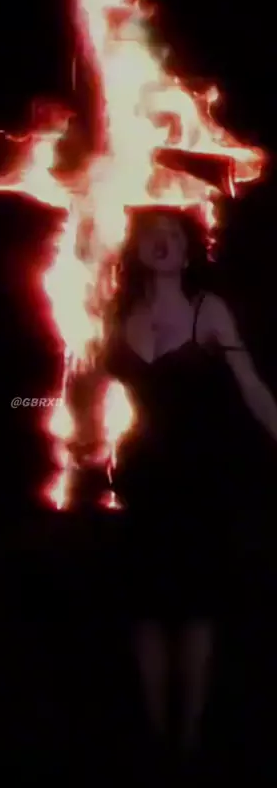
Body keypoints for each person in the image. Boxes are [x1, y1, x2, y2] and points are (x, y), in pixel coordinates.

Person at [102, 206, 277, 758]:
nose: (162, 242)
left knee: (196, 607)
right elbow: (89, 391)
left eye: (174, 235)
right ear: (136, 250)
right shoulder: (118, 314)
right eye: (152, 235)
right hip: (142, 476)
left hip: (198, 475)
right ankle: (157, 740)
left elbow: (252, 386)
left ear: (187, 252)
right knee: (147, 610)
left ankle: (190, 739)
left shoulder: (209, 311)